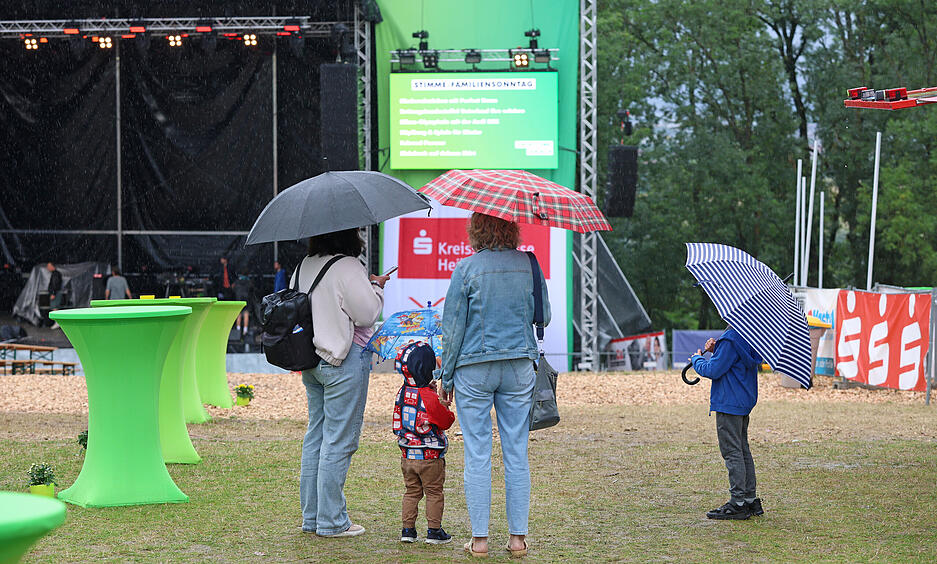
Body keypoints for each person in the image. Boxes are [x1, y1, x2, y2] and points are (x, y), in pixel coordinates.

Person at [437, 213, 550, 558]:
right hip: (519, 367)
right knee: (516, 452)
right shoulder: (529, 264)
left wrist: (447, 376)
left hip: (474, 368)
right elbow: (543, 316)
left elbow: (452, 329)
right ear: (511, 229)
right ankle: (518, 540)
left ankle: (480, 540)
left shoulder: (467, 269)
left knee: (477, 453)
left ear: (476, 231)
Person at [292, 228, 389, 537]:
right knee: (338, 440)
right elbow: (367, 314)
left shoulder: (304, 264)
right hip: (341, 361)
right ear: (349, 236)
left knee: (316, 437)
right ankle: (332, 521)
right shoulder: (347, 266)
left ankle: (312, 517)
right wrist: (376, 286)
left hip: (311, 359)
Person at [690, 327, 765, 520]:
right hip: (742, 402)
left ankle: (737, 503)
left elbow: (712, 370)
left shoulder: (731, 338)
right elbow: (734, 363)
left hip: (728, 403)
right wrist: (717, 350)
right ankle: (749, 499)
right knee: (742, 450)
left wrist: (697, 359)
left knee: (732, 452)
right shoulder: (748, 335)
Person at [392, 341, 455, 545]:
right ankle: (434, 531)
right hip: (430, 458)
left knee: (411, 492)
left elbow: (398, 421)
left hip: (407, 456)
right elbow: (445, 421)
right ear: (427, 368)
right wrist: (444, 407)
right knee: (434, 492)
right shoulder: (429, 396)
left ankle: (408, 530)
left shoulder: (402, 392)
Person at [233, 270, 252, 336]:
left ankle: (238, 330)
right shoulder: (249, 281)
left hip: (238, 298)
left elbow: (233, 288)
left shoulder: (237, 281)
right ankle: (245, 330)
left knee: (239, 314)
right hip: (246, 299)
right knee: (246, 313)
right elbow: (251, 289)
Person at [46, 262, 63, 329]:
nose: (47, 268)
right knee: (54, 307)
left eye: (48, 266)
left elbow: (55, 284)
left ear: (52, 266)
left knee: (54, 307)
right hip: (55, 292)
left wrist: (53, 293)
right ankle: (57, 322)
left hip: (55, 293)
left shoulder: (56, 274)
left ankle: (57, 322)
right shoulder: (55, 274)